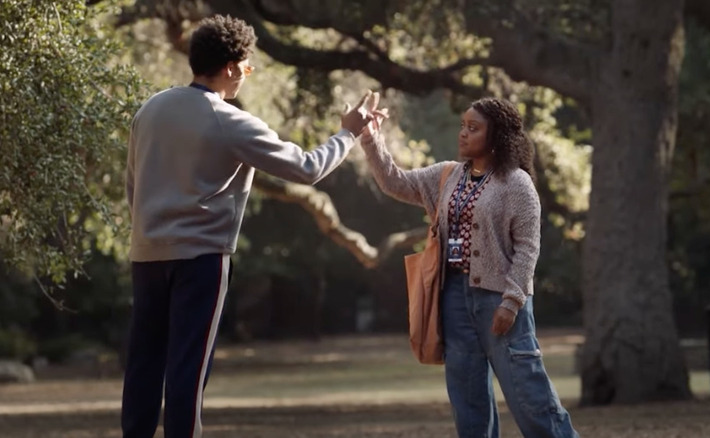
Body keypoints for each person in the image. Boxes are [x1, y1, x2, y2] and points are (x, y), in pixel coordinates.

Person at [122, 15, 380, 438]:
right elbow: (307, 167)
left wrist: (149, 231)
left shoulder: (150, 110)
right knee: (188, 367)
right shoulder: (227, 119)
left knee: (144, 364)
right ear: (230, 67)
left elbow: (133, 186)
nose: (246, 75)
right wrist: (348, 134)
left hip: (147, 255)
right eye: (247, 66)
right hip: (200, 259)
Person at [360, 97, 579, 438]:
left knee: (529, 396)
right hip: (454, 300)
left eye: (473, 128)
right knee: (468, 401)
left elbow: (527, 248)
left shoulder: (517, 183)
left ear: (498, 136)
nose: (463, 134)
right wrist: (372, 138)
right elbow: (395, 182)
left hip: (501, 301)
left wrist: (512, 301)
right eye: (463, 126)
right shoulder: (447, 175)